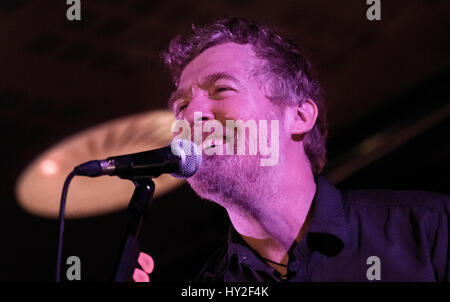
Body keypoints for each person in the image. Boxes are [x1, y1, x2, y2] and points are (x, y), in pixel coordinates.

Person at [161, 17, 450, 282]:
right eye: (182, 106)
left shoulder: (427, 230)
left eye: (222, 89)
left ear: (299, 116)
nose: (190, 115)